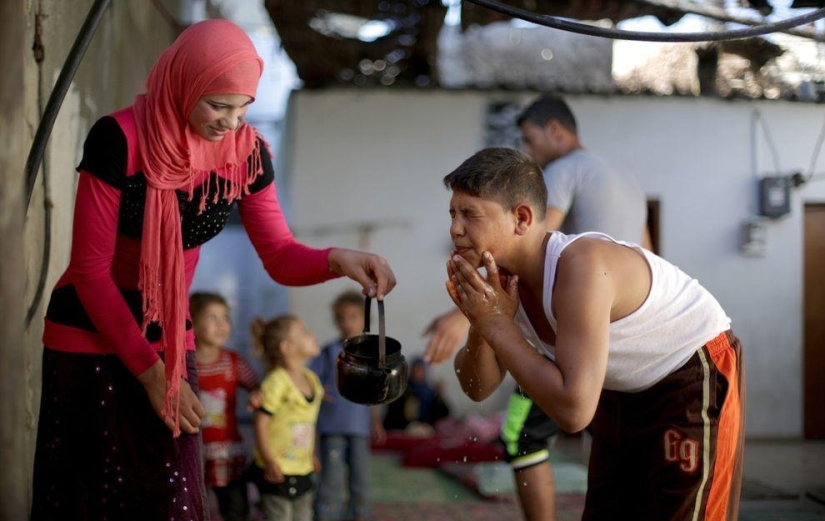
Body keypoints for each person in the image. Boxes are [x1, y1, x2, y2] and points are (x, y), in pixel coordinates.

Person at [31, 19, 396, 521]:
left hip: (166, 332)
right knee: (84, 500)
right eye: (218, 105)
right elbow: (90, 272)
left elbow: (280, 255)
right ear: (184, 84)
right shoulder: (119, 139)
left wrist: (339, 259)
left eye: (243, 107)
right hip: (87, 331)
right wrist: (152, 374)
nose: (231, 122)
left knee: (172, 502)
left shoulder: (247, 156)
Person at [444, 147, 745, 521]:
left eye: (469, 214)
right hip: (621, 388)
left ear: (521, 218)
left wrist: (495, 323)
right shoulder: (500, 280)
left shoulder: (581, 265)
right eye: (452, 214)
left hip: (690, 370)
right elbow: (477, 387)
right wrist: (480, 322)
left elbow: (573, 413)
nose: (455, 229)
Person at [423, 93, 650, 521]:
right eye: (453, 214)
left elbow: (532, 244)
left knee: (521, 436)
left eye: (530, 139)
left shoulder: (563, 176)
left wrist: (469, 316)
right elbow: (647, 254)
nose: (529, 151)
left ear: (555, 130)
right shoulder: (626, 179)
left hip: (574, 324)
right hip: (614, 334)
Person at [309, 290, 386, 521]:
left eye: (353, 317)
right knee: (330, 478)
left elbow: (374, 393)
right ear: (336, 321)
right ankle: (326, 515)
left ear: (365, 320)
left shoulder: (371, 355)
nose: (347, 323)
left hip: (359, 428)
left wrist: (375, 422)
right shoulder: (327, 352)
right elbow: (310, 381)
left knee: (360, 479)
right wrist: (319, 391)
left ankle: (359, 515)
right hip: (331, 425)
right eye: (342, 318)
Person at [191, 291, 261, 521]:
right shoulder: (184, 365)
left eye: (225, 317)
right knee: (191, 508)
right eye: (212, 318)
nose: (222, 325)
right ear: (192, 324)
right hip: (192, 452)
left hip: (227, 452)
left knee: (236, 509)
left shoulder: (233, 362)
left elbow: (257, 387)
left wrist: (257, 395)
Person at [249, 315, 324, 521]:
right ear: (287, 347)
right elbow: (260, 423)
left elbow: (307, 423)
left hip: (302, 468)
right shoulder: (277, 382)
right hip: (277, 469)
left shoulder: (312, 380)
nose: (312, 334)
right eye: (305, 332)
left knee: (304, 515)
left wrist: (311, 454)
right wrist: (268, 460)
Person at [382, 357, 450, 433]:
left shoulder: (430, 391)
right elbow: (394, 413)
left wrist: (439, 395)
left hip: (425, 428)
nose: (418, 372)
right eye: (416, 369)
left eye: (420, 370)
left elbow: (443, 413)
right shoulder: (402, 389)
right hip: (404, 429)